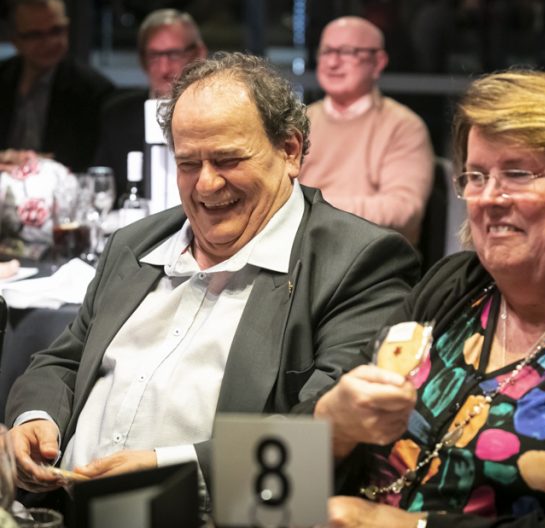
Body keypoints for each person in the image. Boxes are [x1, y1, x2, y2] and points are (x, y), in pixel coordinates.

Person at [5, 52, 419, 510]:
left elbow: (329, 438)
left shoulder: (356, 263)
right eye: (188, 164)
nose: (205, 184)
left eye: (227, 160)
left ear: (290, 150)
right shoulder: (134, 244)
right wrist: (36, 419)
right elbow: (64, 361)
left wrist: (170, 475)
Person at [315, 69, 545, 528]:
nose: (489, 198)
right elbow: (278, 477)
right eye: (476, 176)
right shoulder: (454, 286)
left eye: (517, 174)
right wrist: (332, 426)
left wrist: (403, 526)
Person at [298, 16, 434, 245]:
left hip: (370, 256)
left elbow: (403, 210)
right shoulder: (299, 122)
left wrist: (310, 208)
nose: (333, 62)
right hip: (300, 251)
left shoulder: (403, 126)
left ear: (378, 62)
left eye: (347, 52)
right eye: (326, 51)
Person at [0, 0, 115, 172]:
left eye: (56, 30)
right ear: (15, 39)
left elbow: (87, 164)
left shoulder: (93, 91)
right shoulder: (3, 77)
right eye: (35, 35)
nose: (50, 42)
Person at [94, 9, 207, 200]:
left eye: (174, 55)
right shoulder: (118, 115)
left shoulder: (219, 114)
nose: (164, 69)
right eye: (154, 56)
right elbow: (102, 190)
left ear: (199, 54)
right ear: (142, 61)